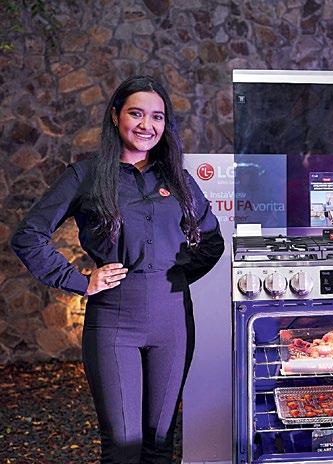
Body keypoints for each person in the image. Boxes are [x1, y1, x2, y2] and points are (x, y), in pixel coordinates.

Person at [11, 76, 224, 463]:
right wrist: (79, 281)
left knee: (159, 444)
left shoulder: (177, 179)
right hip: (113, 322)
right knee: (123, 445)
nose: (147, 125)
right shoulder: (86, 176)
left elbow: (212, 240)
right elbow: (28, 236)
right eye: (136, 113)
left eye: (157, 116)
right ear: (115, 116)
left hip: (173, 323)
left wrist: (174, 275)